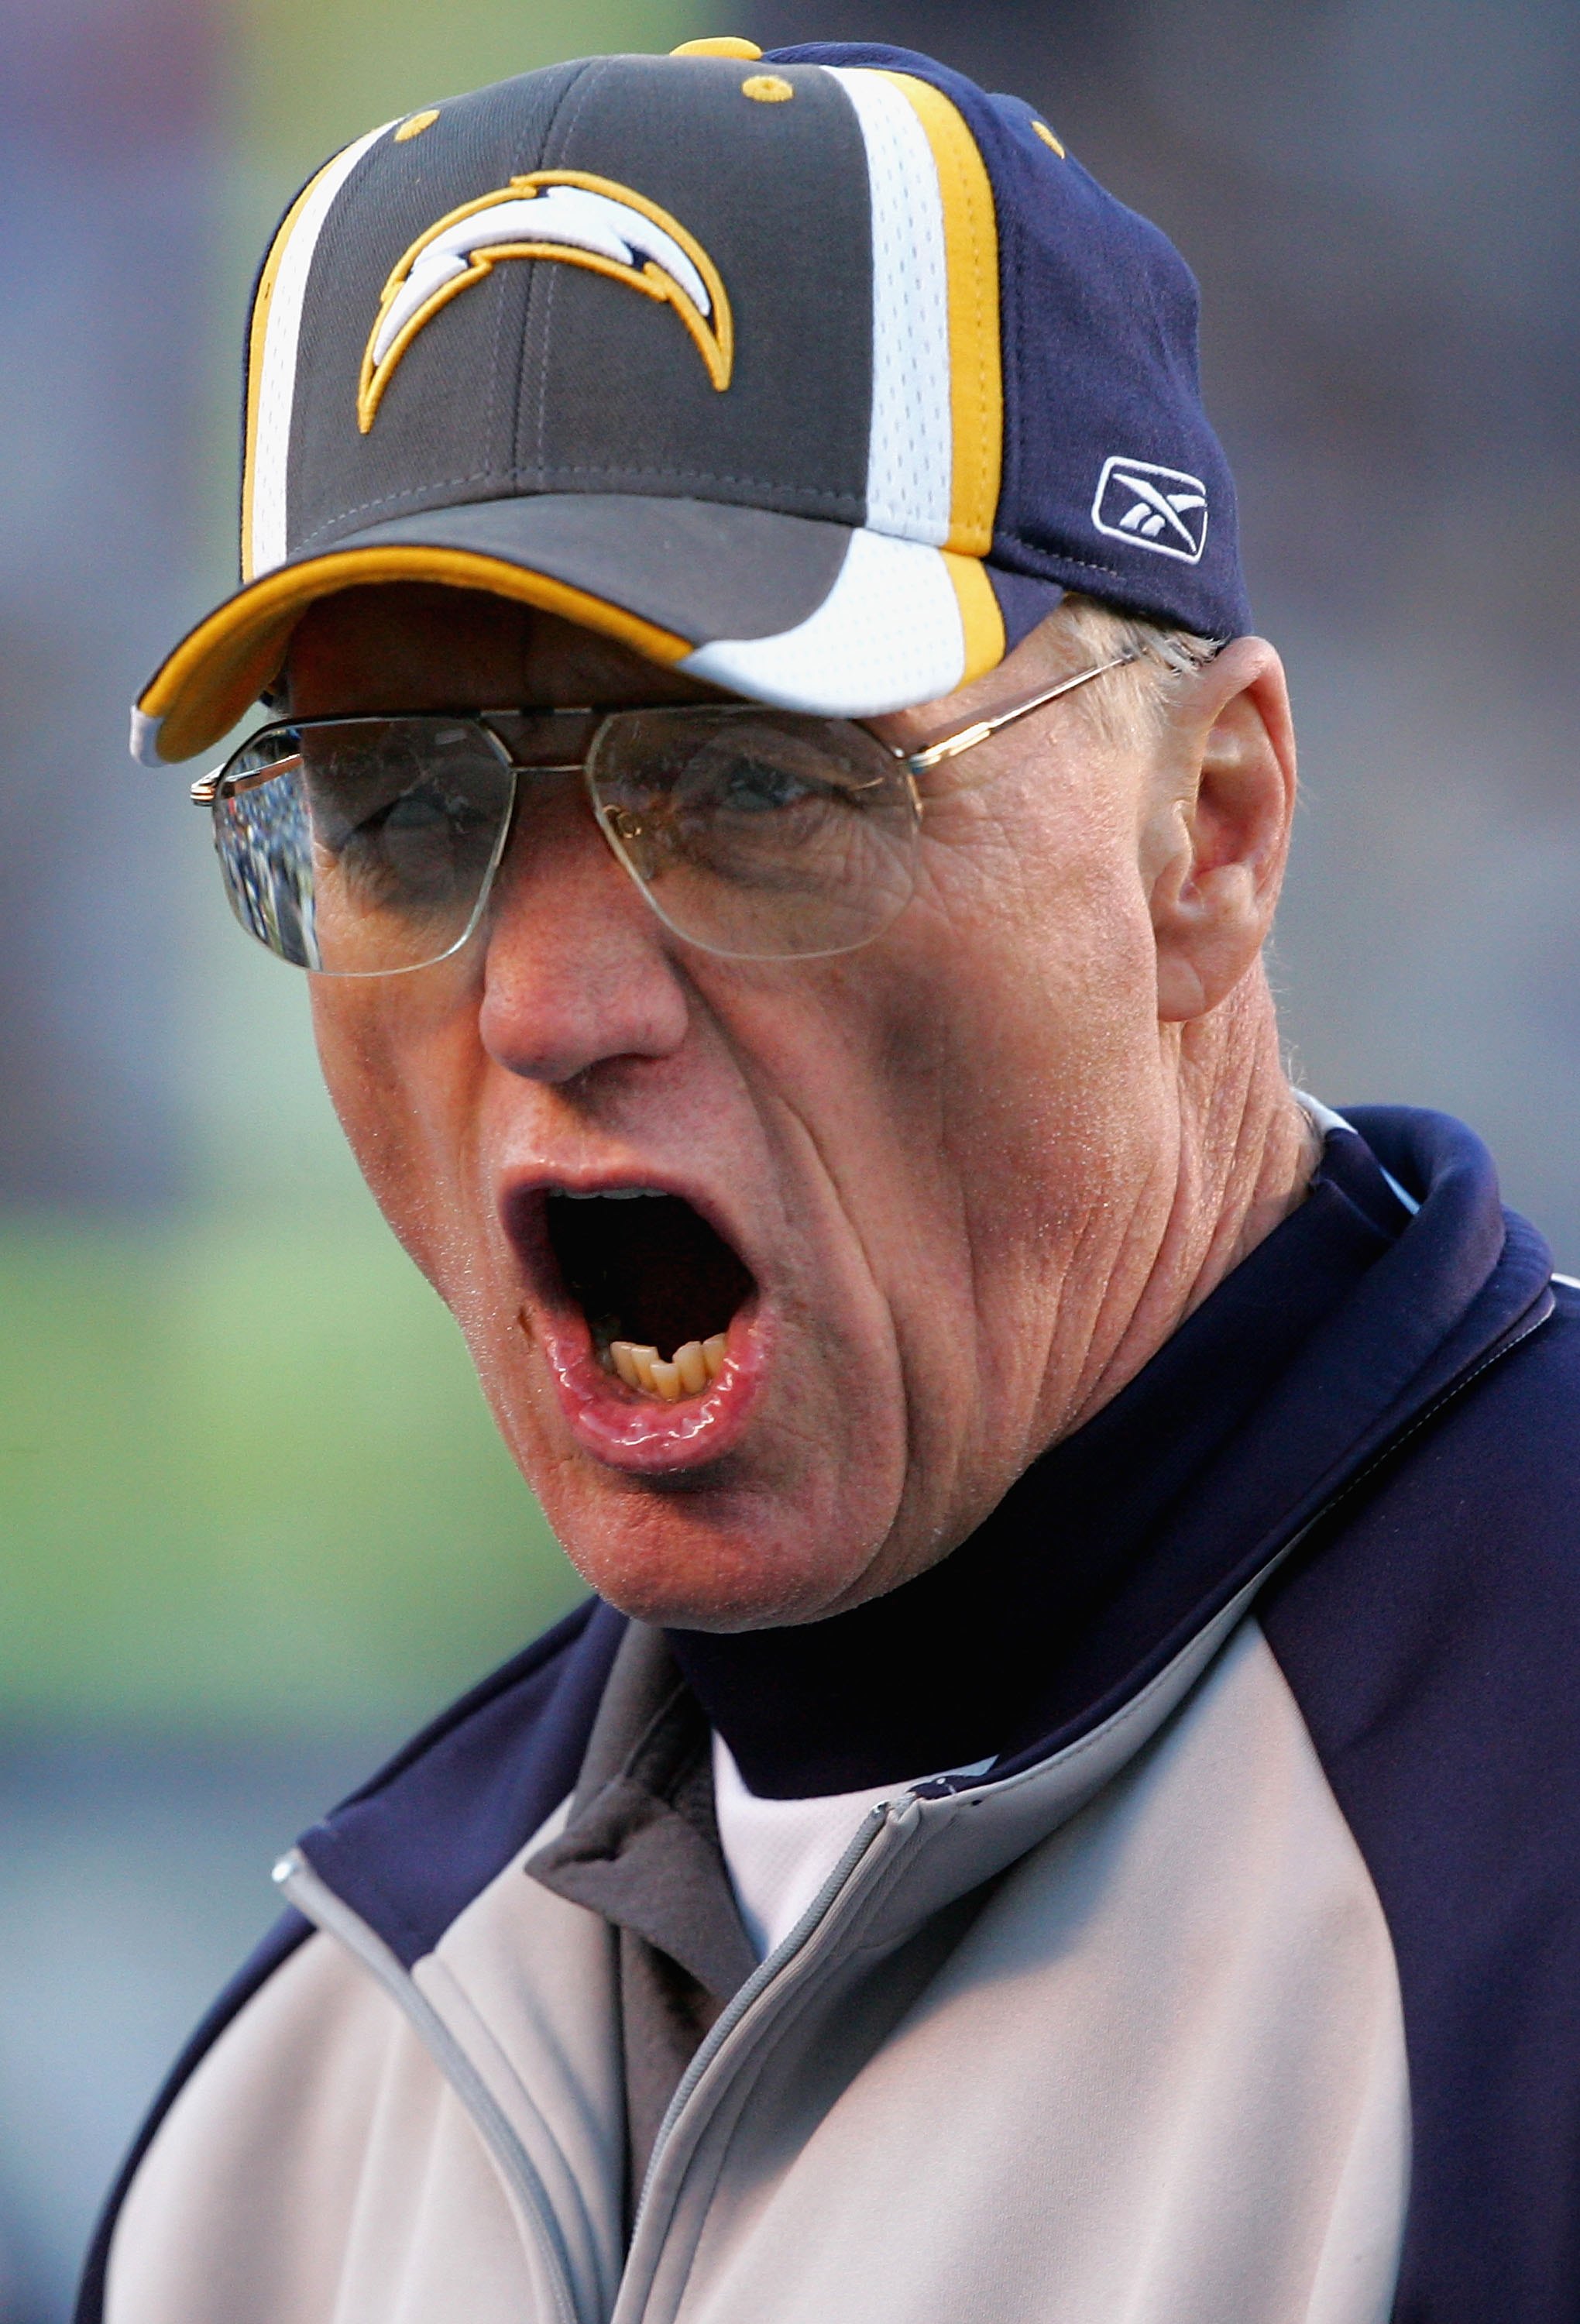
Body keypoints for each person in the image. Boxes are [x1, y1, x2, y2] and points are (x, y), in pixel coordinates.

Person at [81, 34, 1580, 2324]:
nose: (549, 1004)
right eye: (393, 808)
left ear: (1214, 832)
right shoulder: (297, 2117)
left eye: (757, 783)